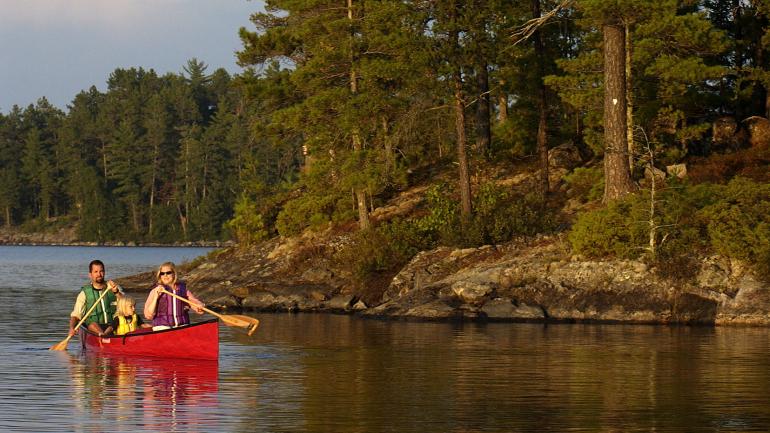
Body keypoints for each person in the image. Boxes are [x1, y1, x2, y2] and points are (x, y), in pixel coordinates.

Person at [69, 259, 123, 337]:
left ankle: (107, 336)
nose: (99, 274)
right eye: (96, 272)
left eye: (101, 271)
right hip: (95, 329)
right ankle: (103, 336)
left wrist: (116, 292)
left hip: (113, 326)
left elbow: (126, 304)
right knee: (92, 324)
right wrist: (72, 328)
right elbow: (76, 315)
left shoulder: (114, 287)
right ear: (90, 274)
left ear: (104, 272)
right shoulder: (84, 293)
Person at [144, 262, 205, 329]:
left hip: (182, 325)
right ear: (160, 275)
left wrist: (199, 306)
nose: (165, 275)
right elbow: (148, 315)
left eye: (168, 273)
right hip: (162, 327)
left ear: (174, 274)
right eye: (162, 273)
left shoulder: (183, 290)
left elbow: (194, 302)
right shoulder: (155, 291)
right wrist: (156, 297)